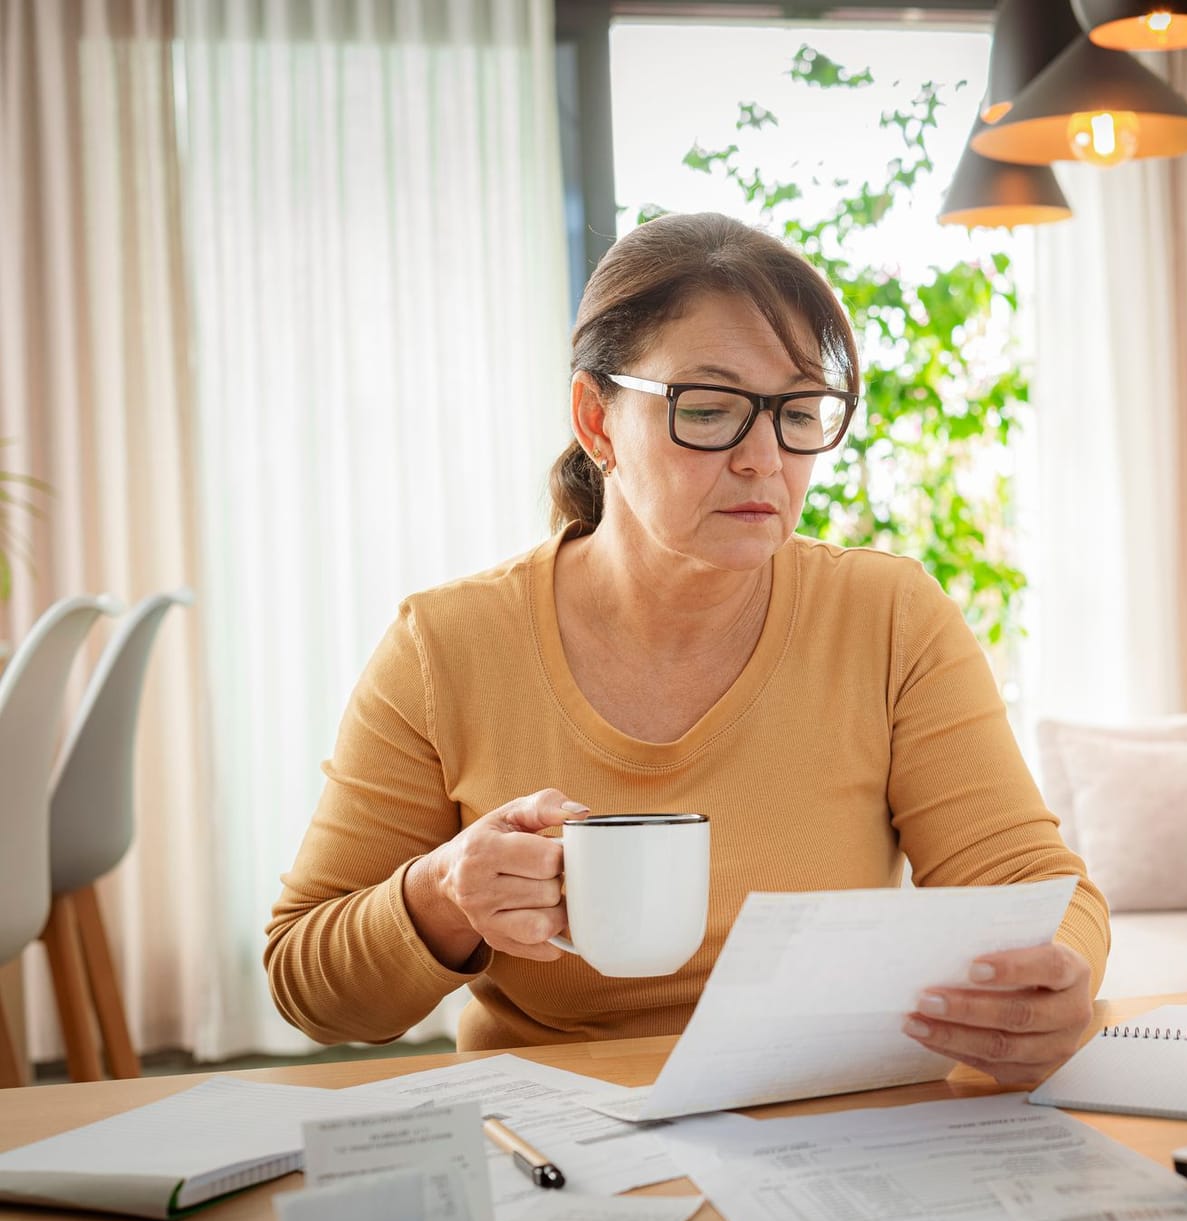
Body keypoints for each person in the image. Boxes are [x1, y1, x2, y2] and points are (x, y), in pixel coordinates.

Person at [265, 212, 1110, 1085]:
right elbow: (309, 988)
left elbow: (1033, 885)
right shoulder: (446, 648)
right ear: (597, 421)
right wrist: (440, 896)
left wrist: (1054, 977)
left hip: (823, 1115)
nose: (764, 459)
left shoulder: (887, 617)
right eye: (708, 411)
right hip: (562, 1139)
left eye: (798, 411)